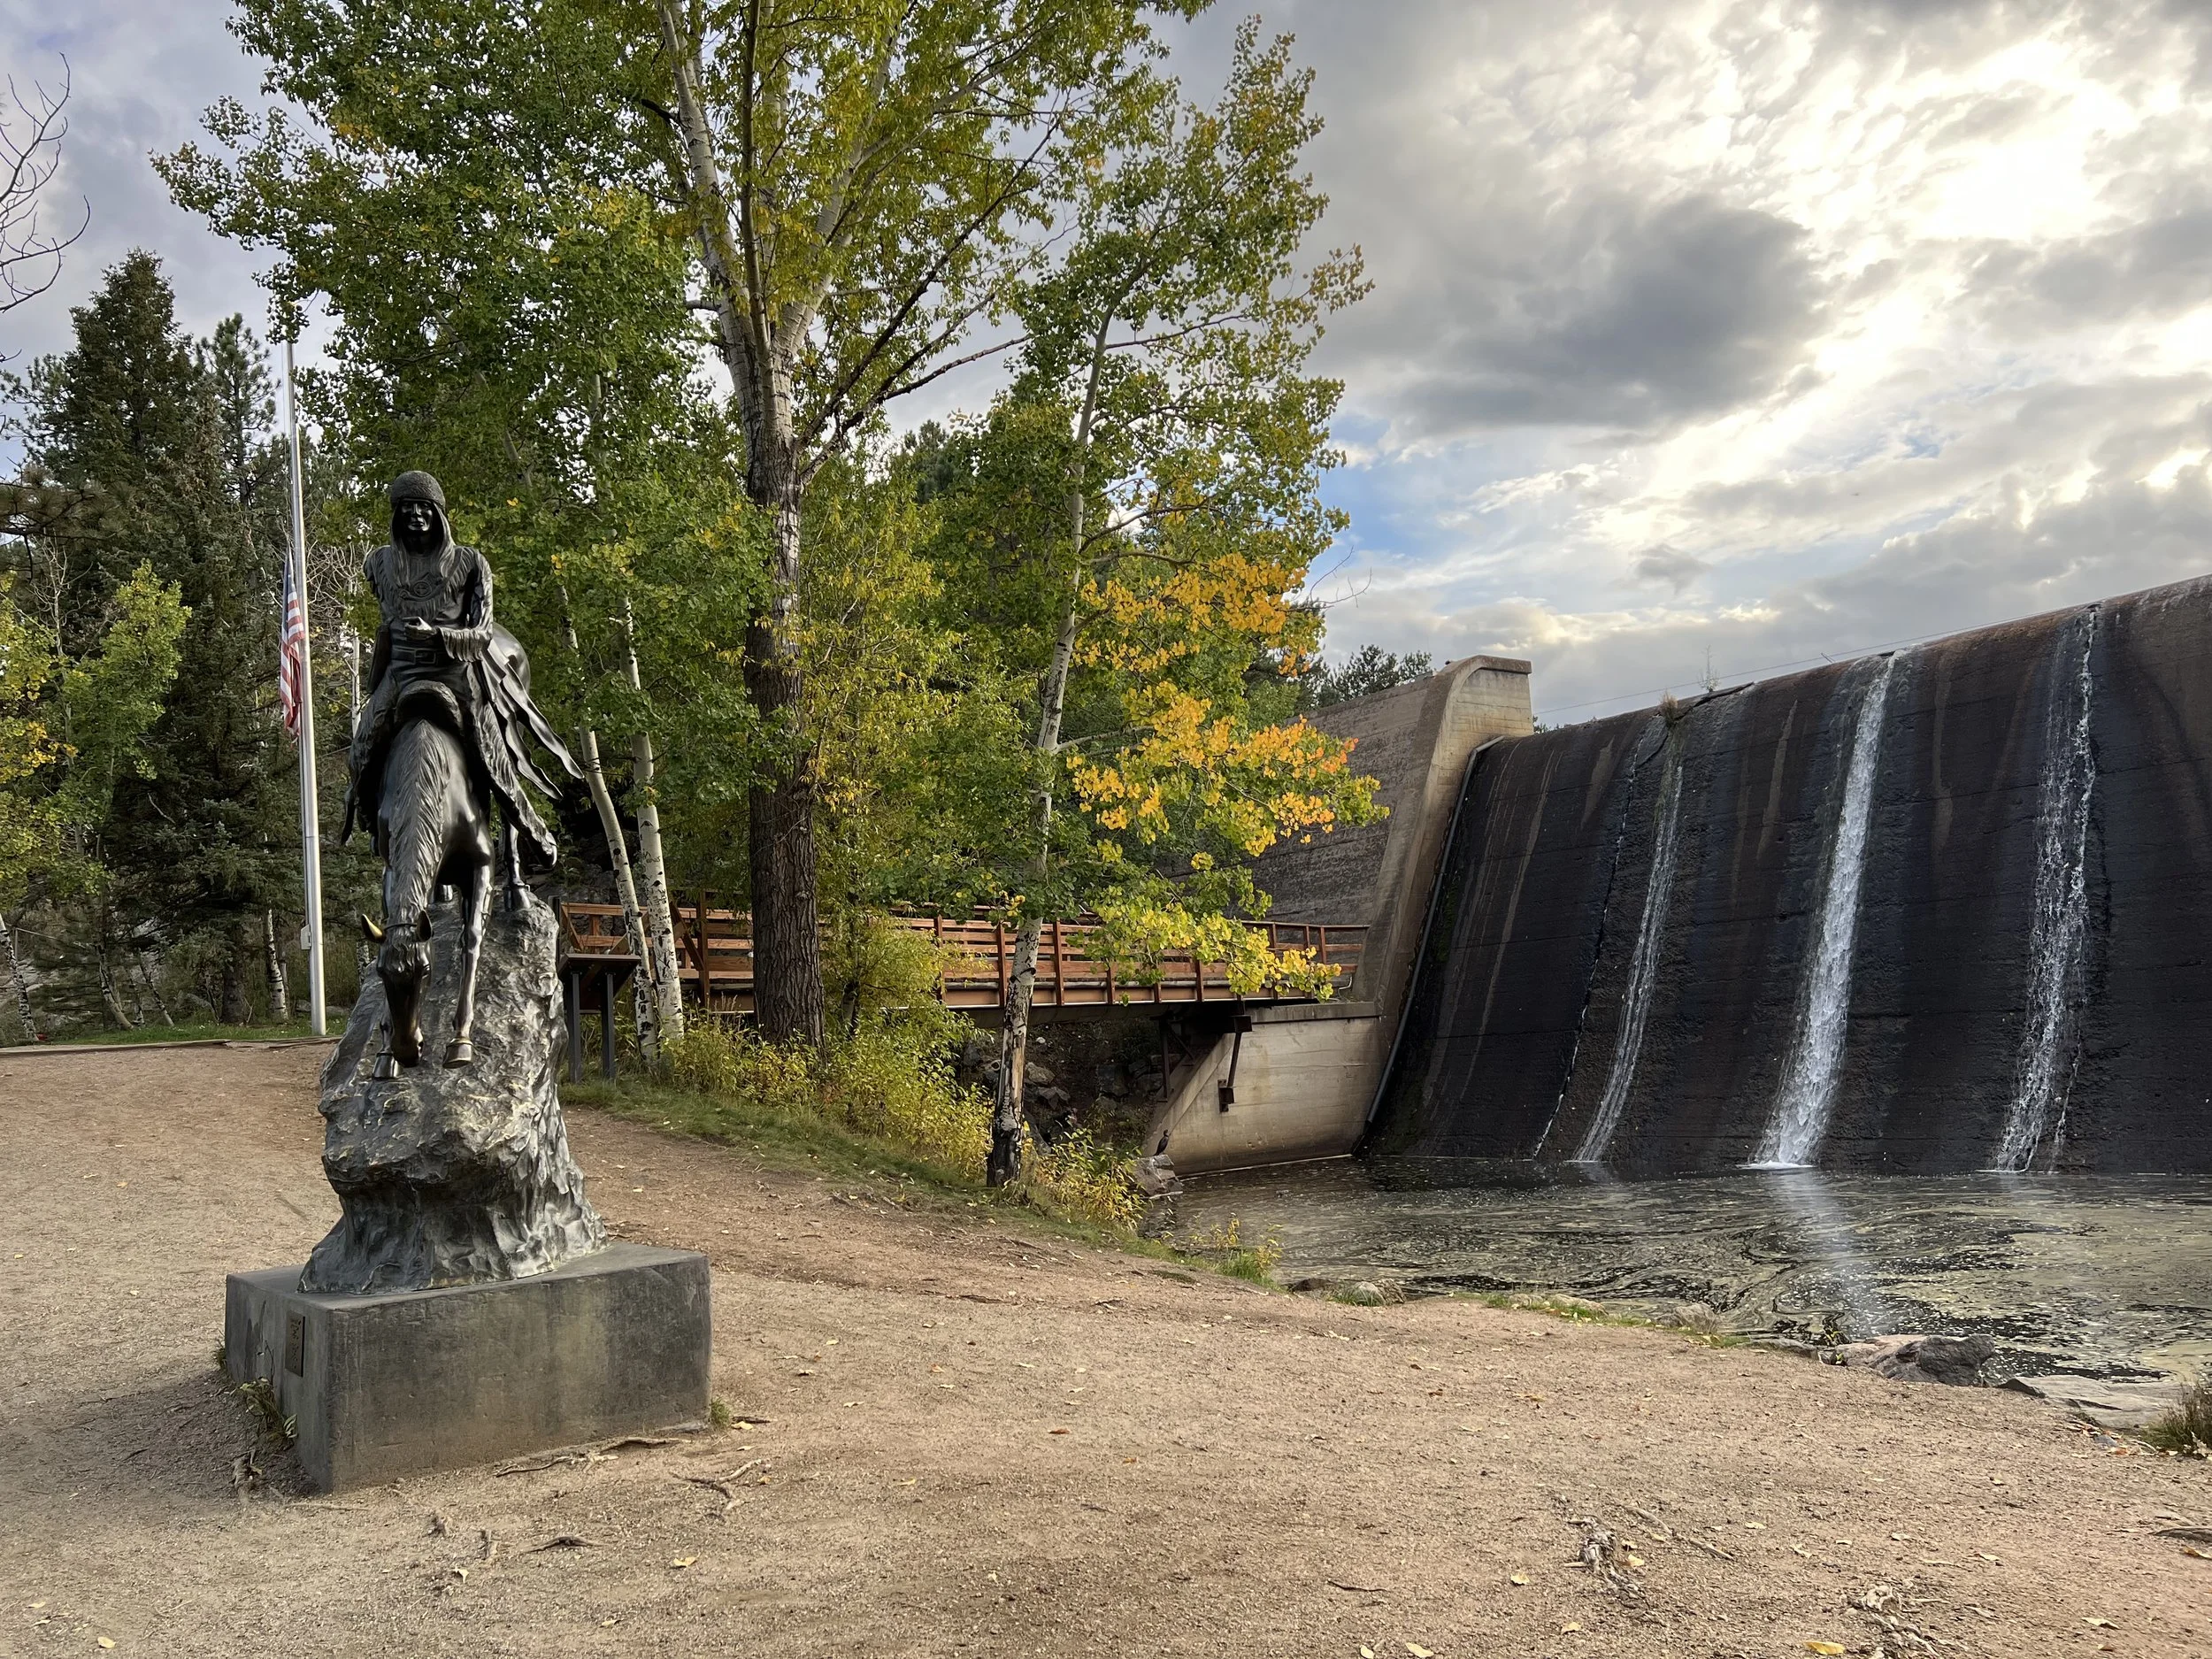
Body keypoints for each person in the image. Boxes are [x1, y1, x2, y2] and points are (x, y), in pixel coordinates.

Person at [341, 471, 575, 884]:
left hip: (454, 673)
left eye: (424, 506)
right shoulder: (378, 562)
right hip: (400, 674)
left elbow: (483, 633)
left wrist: (440, 635)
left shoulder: (470, 563)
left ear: (438, 514)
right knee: (362, 744)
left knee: (491, 752)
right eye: (407, 506)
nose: (416, 514)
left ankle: (533, 828)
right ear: (397, 514)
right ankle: (364, 811)